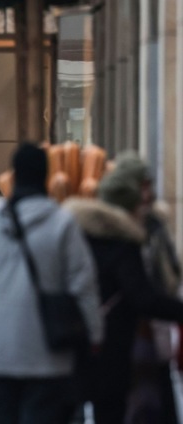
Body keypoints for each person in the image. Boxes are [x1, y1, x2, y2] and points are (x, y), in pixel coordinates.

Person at [0, 143, 102, 424]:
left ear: (14, 175)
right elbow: (83, 285)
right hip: (49, 354)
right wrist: (95, 334)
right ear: (46, 176)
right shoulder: (63, 222)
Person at [64, 168, 183, 424]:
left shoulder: (79, 234)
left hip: (77, 341)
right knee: (112, 411)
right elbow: (142, 296)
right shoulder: (122, 243)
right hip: (114, 347)